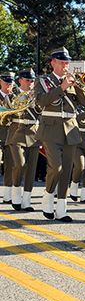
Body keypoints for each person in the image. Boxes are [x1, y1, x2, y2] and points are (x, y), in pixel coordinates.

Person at [35, 47, 85, 222]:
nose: (65, 66)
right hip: (50, 128)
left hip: (70, 128)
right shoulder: (43, 81)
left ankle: (62, 209)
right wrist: (62, 87)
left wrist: (79, 86)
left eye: (67, 62)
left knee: (67, 169)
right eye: (61, 62)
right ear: (53, 63)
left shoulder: (73, 81)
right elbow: (42, 102)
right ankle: (48, 197)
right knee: (56, 167)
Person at [6, 69, 40, 211]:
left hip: (33, 133)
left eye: (32, 81)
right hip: (17, 133)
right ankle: (15, 195)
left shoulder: (38, 96)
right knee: (20, 164)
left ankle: (26, 201)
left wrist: (36, 99)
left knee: (31, 169)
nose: (30, 83)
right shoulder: (12, 95)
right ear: (20, 80)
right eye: (28, 80)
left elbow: (41, 113)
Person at [0, 71, 15, 204]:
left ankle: (7, 194)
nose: (9, 85)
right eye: (6, 83)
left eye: (11, 83)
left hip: (11, 135)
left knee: (10, 165)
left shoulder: (16, 98)